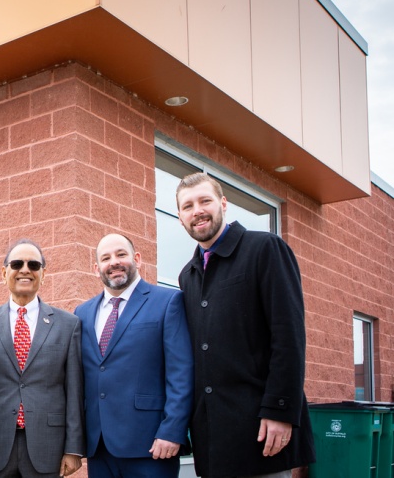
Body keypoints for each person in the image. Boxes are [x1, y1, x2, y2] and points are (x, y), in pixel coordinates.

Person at [175, 172, 315, 478]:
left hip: (260, 430)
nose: (196, 210)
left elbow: (289, 336)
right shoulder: (188, 275)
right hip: (212, 436)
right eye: (187, 206)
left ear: (223, 203)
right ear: (180, 216)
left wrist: (281, 410)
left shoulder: (265, 248)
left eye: (205, 201)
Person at [74, 233, 192, 478]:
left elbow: (181, 373)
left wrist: (172, 430)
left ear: (137, 258)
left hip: (151, 445)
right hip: (100, 446)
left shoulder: (168, 301)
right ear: (97, 269)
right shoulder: (82, 313)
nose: (114, 262)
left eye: (121, 254)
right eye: (106, 258)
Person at [0, 239, 84, 478]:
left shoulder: (68, 325)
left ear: (43, 274)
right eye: (17, 264)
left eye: (34, 265)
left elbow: (74, 390)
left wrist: (74, 448)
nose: (25, 269)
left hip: (47, 446)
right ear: (4, 273)